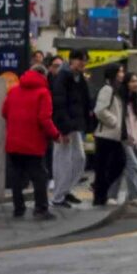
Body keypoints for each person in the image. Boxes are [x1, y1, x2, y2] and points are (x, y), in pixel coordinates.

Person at [2, 65, 60, 220]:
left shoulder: (13, 91)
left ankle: (18, 208)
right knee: (40, 176)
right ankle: (41, 209)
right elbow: (44, 119)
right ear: (43, 76)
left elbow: (4, 112)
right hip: (33, 142)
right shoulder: (43, 93)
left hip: (13, 141)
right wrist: (55, 135)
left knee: (16, 176)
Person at [51, 48, 91, 209]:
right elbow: (59, 104)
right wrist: (63, 129)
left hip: (74, 125)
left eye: (85, 60)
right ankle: (58, 197)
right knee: (63, 161)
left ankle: (65, 190)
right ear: (72, 60)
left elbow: (84, 101)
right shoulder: (63, 77)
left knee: (79, 159)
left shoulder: (78, 77)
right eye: (81, 60)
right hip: (64, 127)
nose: (83, 63)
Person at [109, 71, 137, 207]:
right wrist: (126, 136)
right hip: (121, 138)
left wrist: (135, 140)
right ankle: (135, 195)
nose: (136, 84)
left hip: (130, 140)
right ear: (126, 84)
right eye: (132, 81)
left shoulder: (133, 100)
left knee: (120, 167)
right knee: (133, 166)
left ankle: (111, 195)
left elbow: (135, 123)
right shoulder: (120, 100)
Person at [92, 64, 127, 207]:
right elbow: (99, 110)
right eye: (120, 71)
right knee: (109, 165)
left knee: (112, 165)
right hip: (105, 135)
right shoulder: (107, 90)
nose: (122, 74)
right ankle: (99, 195)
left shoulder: (115, 90)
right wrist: (114, 122)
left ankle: (100, 193)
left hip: (113, 135)